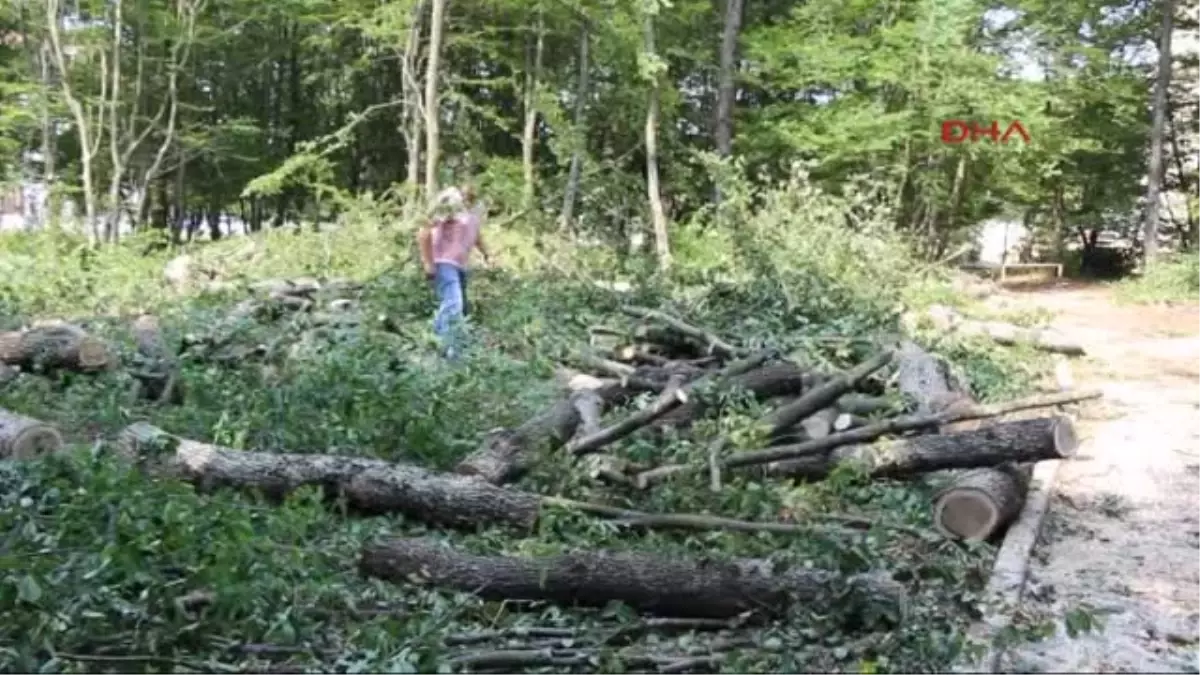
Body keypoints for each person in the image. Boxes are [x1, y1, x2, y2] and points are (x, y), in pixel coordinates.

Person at [417, 185, 491, 358]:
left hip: (461, 266)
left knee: (460, 308)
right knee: (454, 304)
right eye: (465, 196)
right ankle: (450, 352)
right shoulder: (448, 208)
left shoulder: (471, 215)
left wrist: (488, 254)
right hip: (444, 262)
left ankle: (435, 341)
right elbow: (424, 232)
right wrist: (428, 263)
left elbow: (477, 236)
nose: (468, 199)